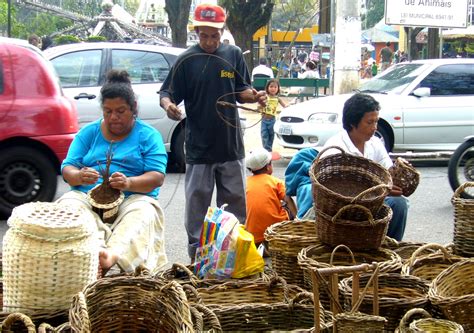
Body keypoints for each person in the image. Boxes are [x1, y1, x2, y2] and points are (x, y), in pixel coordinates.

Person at [159, 4, 266, 260]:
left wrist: (255, 97)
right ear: (196, 31)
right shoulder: (187, 59)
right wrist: (169, 106)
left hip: (230, 146)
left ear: (222, 31)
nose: (209, 41)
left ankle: (232, 258)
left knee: (234, 209)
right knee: (197, 211)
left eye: (214, 35)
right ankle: (198, 260)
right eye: (204, 35)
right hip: (198, 148)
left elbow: (241, 90)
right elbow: (167, 93)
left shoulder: (234, 54)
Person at [57, 69, 168, 274]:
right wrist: (79, 176)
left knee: (142, 213)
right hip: (87, 196)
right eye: (108, 111)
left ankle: (111, 255)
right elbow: (68, 167)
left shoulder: (148, 135)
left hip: (132, 198)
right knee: (68, 206)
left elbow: (157, 177)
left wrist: (129, 183)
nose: (114, 117)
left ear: (133, 108)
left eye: (120, 111)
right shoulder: (89, 133)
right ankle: (94, 251)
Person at [321, 93, 408, 241]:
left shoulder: (375, 143)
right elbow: (335, 192)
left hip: (372, 203)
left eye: (376, 122)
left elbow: (388, 171)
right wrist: (382, 190)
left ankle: (391, 247)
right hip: (343, 209)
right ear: (352, 124)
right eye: (369, 123)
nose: (374, 128)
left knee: (399, 203)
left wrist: (399, 175)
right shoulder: (335, 149)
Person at [245, 148, 296, 246]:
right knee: (286, 205)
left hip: (254, 238)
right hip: (276, 234)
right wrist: (297, 219)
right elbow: (288, 199)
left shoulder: (245, 183)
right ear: (268, 167)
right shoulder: (275, 182)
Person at [259, 79, 287, 152]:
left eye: (275, 87)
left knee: (271, 136)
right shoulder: (265, 97)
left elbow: (285, 106)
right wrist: (260, 106)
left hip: (272, 120)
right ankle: (266, 150)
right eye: (271, 86)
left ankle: (269, 150)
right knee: (264, 135)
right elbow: (259, 106)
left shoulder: (278, 98)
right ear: (267, 88)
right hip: (264, 120)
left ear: (278, 89)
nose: (273, 89)